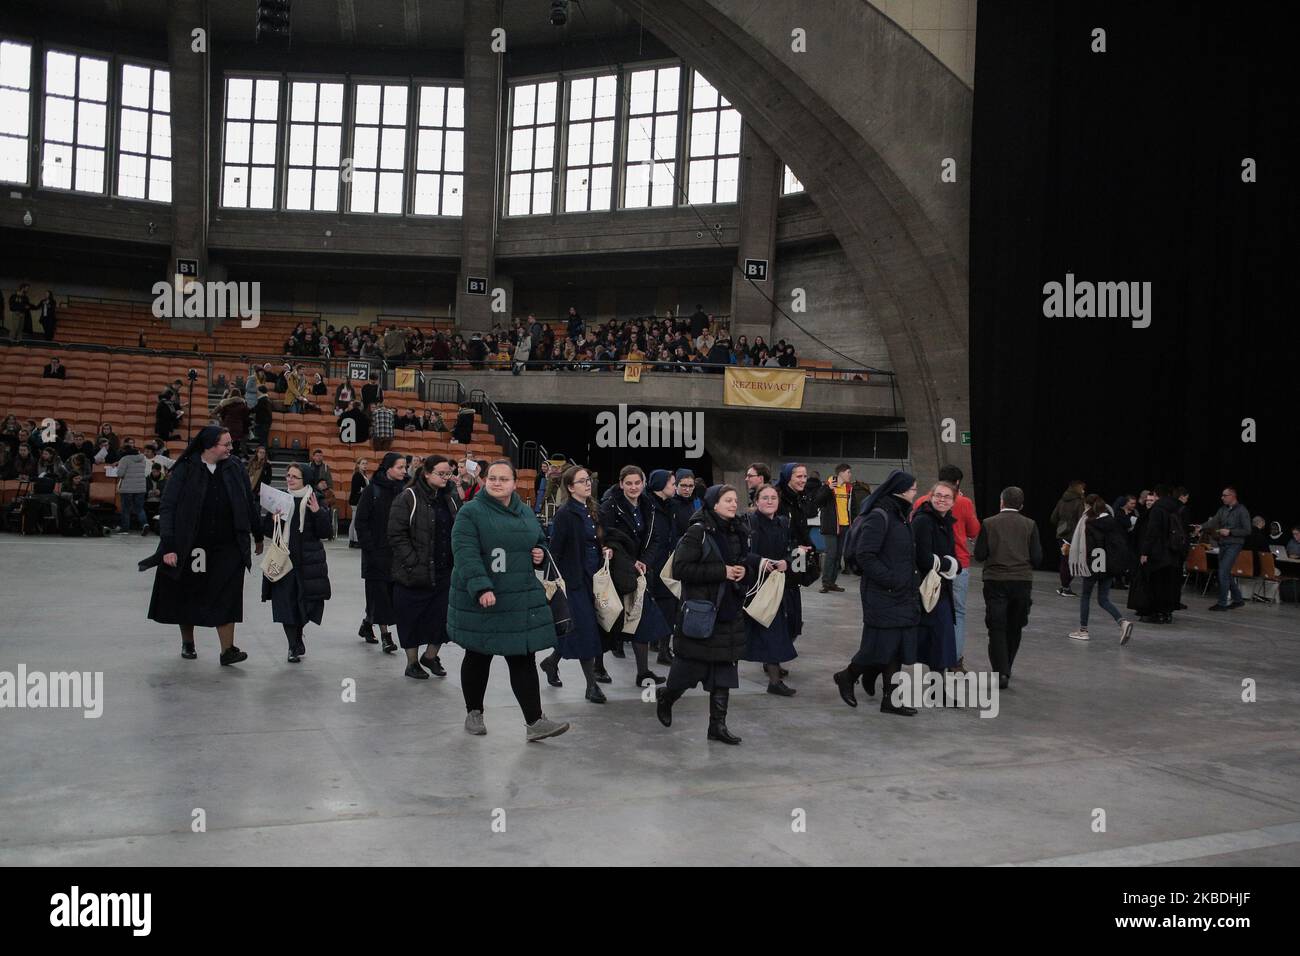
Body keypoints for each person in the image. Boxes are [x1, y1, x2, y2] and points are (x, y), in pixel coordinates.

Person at [448, 459, 570, 742]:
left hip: (518, 597)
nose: (497, 483)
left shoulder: (525, 511)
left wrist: (539, 552)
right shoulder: (471, 513)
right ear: (486, 480)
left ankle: (535, 721)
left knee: (522, 657)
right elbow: (465, 553)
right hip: (485, 598)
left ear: (515, 483)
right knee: (479, 654)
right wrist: (481, 588)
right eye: (492, 478)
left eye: (504, 479)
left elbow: (539, 540)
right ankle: (474, 712)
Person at [139, 426, 265, 664]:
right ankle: (188, 642)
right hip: (191, 545)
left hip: (227, 546)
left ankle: (227, 651)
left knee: (227, 595)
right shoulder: (185, 469)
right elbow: (168, 508)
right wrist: (169, 545)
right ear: (208, 446)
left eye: (230, 444)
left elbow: (248, 502)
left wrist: (257, 535)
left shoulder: (235, 467)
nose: (230, 448)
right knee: (187, 593)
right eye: (225, 444)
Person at [655, 484, 756, 744]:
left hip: (729, 611)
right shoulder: (696, 532)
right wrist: (721, 572)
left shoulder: (739, 531)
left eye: (735, 500)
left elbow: (743, 562)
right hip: (702, 612)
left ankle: (717, 726)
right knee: (688, 669)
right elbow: (680, 569)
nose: (734, 504)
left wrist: (744, 571)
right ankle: (667, 696)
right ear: (713, 504)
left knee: (724, 670)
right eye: (728, 500)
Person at [831, 470, 921, 715]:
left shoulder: (901, 516)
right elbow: (865, 555)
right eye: (913, 488)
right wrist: (890, 579)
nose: (916, 492)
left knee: (896, 649)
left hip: (901, 593)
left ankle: (890, 699)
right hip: (882, 594)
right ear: (901, 490)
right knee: (878, 647)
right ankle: (847, 676)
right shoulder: (880, 516)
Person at [537, 465, 610, 703]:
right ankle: (591, 686)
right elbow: (555, 550)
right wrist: (554, 583)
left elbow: (598, 540)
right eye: (581, 481)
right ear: (570, 487)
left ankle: (551, 662)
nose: (587, 484)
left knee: (582, 629)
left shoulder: (593, 509)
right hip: (574, 580)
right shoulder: (566, 513)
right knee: (586, 630)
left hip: (594, 579)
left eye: (588, 480)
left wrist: (605, 550)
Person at [598, 465, 671, 686]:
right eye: (628, 483)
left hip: (638, 572)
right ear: (621, 484)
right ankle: (595, 666)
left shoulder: (648, 506)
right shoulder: (610, 506)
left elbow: (654, 539)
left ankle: (643, 673)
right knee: (608, 620)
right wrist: (607, 550)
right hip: (618, 572)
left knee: (643, 620)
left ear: (643, 483)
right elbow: (602, 534)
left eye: (637, 483)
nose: (633, 487)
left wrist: (645, 561)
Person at [388, 455, 460, 680]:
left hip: (444, 570)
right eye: (441, 474)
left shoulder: (450, 497)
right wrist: (412, 561)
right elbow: (396, 534)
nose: (446, 478)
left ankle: (430, 656)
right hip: (414, 572)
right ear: (427, 473)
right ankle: (412, 663)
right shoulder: (407, 497)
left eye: (448, 474)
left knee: (442, 619)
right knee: (411, 619)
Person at [912, 464, 981, 671]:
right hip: (954, 565)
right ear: (958, 484)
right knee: (956, 614)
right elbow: (974, 530)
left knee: (930, 618)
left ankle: (933, 661)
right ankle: (954, 661)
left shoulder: (921, 502)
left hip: (939, 570)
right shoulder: (964, 502)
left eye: (946, 497)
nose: (942, 500)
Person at [262, 464, 332, 663]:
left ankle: (299, 634)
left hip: (308, 562)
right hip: (284, 560)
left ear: (305, 479)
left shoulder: (315, 498)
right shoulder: (281, 498)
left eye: (295, 477)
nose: (290, 480)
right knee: (285, 604)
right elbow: (268, 530)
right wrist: (273, 519)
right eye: (288, 476)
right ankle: (292, 645)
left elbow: (326, 533)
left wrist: (318, 512)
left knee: (307, 604)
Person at [974, 486, 1043, 689]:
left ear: (1001, 502)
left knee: (996, 626)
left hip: (995, 580)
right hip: (1022, 581)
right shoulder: (1030, 525)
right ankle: (1008, 666)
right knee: (1015, 625)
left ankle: (1000, 671)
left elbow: (979, 554)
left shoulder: (988, 523)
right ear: (1021, 505)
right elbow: (1037, 558)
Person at [743, 483, 801, 696]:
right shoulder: (748, 522)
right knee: (768, 630)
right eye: (765, 498)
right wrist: (759, 561)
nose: (769, 501)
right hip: (755, 585)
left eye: (773, 498)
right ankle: (774, 681)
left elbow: (790, 548)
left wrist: (787, 561)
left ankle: (774, 678)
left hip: (777, 584)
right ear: (756, 501)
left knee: (774, 630)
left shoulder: (783, 523)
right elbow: (739, 551)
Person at [354, 452, 406, 652]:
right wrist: (370, 549)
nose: (404, 471)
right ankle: (386, 635)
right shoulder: (372, 490)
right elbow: (361, 522)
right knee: (380, 595)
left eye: (405, 467)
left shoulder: (405, 489)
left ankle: (368, 624)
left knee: (388, 596)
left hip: (398, 554)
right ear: (388, 468)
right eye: (400, 467)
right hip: (376, 553)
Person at [1066, 494, 1135, 644]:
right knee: (1103, 599)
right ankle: (1122, 622)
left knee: (1085, 595)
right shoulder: (1112, 521)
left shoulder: (1089, 523)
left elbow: (1088, 547)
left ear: (1089, 506)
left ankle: (1083, 630)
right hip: (1109, 565)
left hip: (1094, 563)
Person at [912, 480, 961, 677]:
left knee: (940, 641)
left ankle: (938, 688)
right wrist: (950, 564)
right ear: (930, 497)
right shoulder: (923, 520)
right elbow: (922, 557)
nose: (941, 499)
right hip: (924, 589)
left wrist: (951, 564)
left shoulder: (946, 521)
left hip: (940, 588)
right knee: (932, 640)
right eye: (938, 495)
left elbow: (950, 554)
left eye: (946, 496)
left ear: (953, 501)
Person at [1128, 485, 1187, 623]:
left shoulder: (1158, 509)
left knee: (1156, 584)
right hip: (1174, 552)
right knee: (1169, 584)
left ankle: (1156, 614)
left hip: (1158, 553)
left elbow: (1152, 532)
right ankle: (1166, 613)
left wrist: (1145, 552)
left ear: (1156, 495)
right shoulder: (1178, 507)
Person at [643, 469, 679, 666]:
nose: (675, 487)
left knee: (668, 605)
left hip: (666, 563)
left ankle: (664, 648)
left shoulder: (670, 505)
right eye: (672, 483)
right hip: (649, 563)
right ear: (660, 485)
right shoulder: (647, 505)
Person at [1195, 485, 1249, 612]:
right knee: (1226, 573)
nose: (1222, 498)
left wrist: (1230, 532)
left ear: (1233, 496)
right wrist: (1201, 527)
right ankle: (1238, 600)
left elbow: (1247, 530)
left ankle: (1222, 603)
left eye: (1225, 495)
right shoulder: (1222, 510)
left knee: (1223, 572)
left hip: (1234, 544)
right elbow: (1213, 521)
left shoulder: (1242, 510)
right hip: (1223, 544)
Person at [812, 463, 861, 593]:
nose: (850, 475)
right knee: (831, 554)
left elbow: (854, 508)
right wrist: (828, 489)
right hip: (831, 526)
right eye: (848, 472)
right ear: (841, 473)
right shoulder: (828, 486)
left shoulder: (849, 488)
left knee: (838, 556)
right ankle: (826, 583)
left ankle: (832, 582)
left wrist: (855, 522)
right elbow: (818, 501)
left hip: (845, 526)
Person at [1050, 480, 1087, 596]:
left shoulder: (1061, 501)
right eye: (1082, 488)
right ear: (1077, 489)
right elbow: (1081, 520)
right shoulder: (1079, 502)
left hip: (1061, 535)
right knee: (1072, 562)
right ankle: (1065, 588)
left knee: (1064, 561)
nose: (1084, 491)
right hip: (1073, 536)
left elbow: (1053, 518)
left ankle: (1064, 587)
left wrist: (1062, 525)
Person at [115, 440, 149, 535]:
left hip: (127, 488)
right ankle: (145, 524)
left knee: (126, 509)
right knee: (139, 508)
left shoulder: (124, 459)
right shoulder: (143, 458)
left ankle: (125, 529)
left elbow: (120, 474)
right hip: (141, 487)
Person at [216, 388, 251, 454]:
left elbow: (222, 414)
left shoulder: (225, 403)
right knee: (236, 442)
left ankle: (226, 456)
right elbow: (246, 416)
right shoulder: (243, 404)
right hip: (238, 426)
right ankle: (234, 456)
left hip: (227, 425)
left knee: (227, 441)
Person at [670, 468, 700, 540]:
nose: (687, 489)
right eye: (683, 485)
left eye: (690, 486)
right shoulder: (669, 504)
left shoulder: (698, 503)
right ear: (676, 485)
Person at [347, 457, 368, 548]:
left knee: (354, 520)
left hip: (357, 500)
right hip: (357, 500)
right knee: (356, 521)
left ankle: (352, 540)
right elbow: (357, 489)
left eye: (366, 463)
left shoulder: (362, 475)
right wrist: (365, 489)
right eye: (363, 463)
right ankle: (356, 540)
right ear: (358, 465)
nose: (365, 465)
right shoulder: (357, 475)